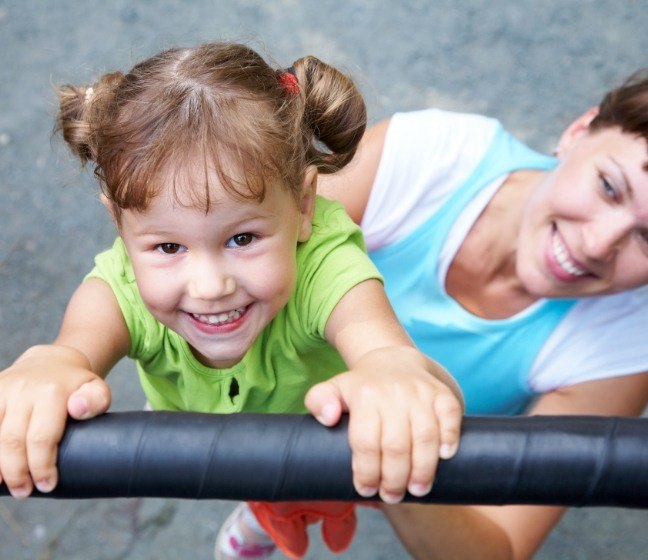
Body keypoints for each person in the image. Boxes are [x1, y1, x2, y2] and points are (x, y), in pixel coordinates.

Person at [0, 42, 464, 559]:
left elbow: (379, 346)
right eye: (168, 246)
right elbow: (72, 350)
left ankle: (267, 515)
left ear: (305, 206)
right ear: (120, 227)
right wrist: (50, 365)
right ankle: (260, 516)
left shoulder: (325, 264)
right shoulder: (122, 286)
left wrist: (390, 369)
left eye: (242, 239)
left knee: (387, 464)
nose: (209, 286)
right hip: (230, 438)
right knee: (266, 492)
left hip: (328, 444)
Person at [318, 69, 648, 559]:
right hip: (270, 386)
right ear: (579, 131)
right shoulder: (429, 156)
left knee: (298, 486)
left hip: (393, 461)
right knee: (258, 479)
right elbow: (250, 247)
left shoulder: (626, 341)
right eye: (609, 187)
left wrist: (396, 447)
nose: (598, 244)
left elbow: (501, 547)